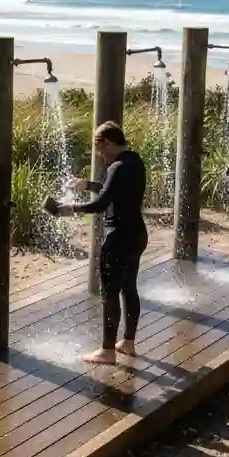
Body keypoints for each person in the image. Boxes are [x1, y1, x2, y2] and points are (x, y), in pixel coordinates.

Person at [57, 121, 148, 365]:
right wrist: (87, 185)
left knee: (110, 294)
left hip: (118, 237)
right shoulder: (134, 161)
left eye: (100, 149)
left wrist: (71, 208)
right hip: (137, 234)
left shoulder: (117, 166)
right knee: (130, 288)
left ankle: (107, 351)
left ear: (107, 142)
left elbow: (101, 204)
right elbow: (114, 191)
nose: (101, 155)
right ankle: (128, 343)